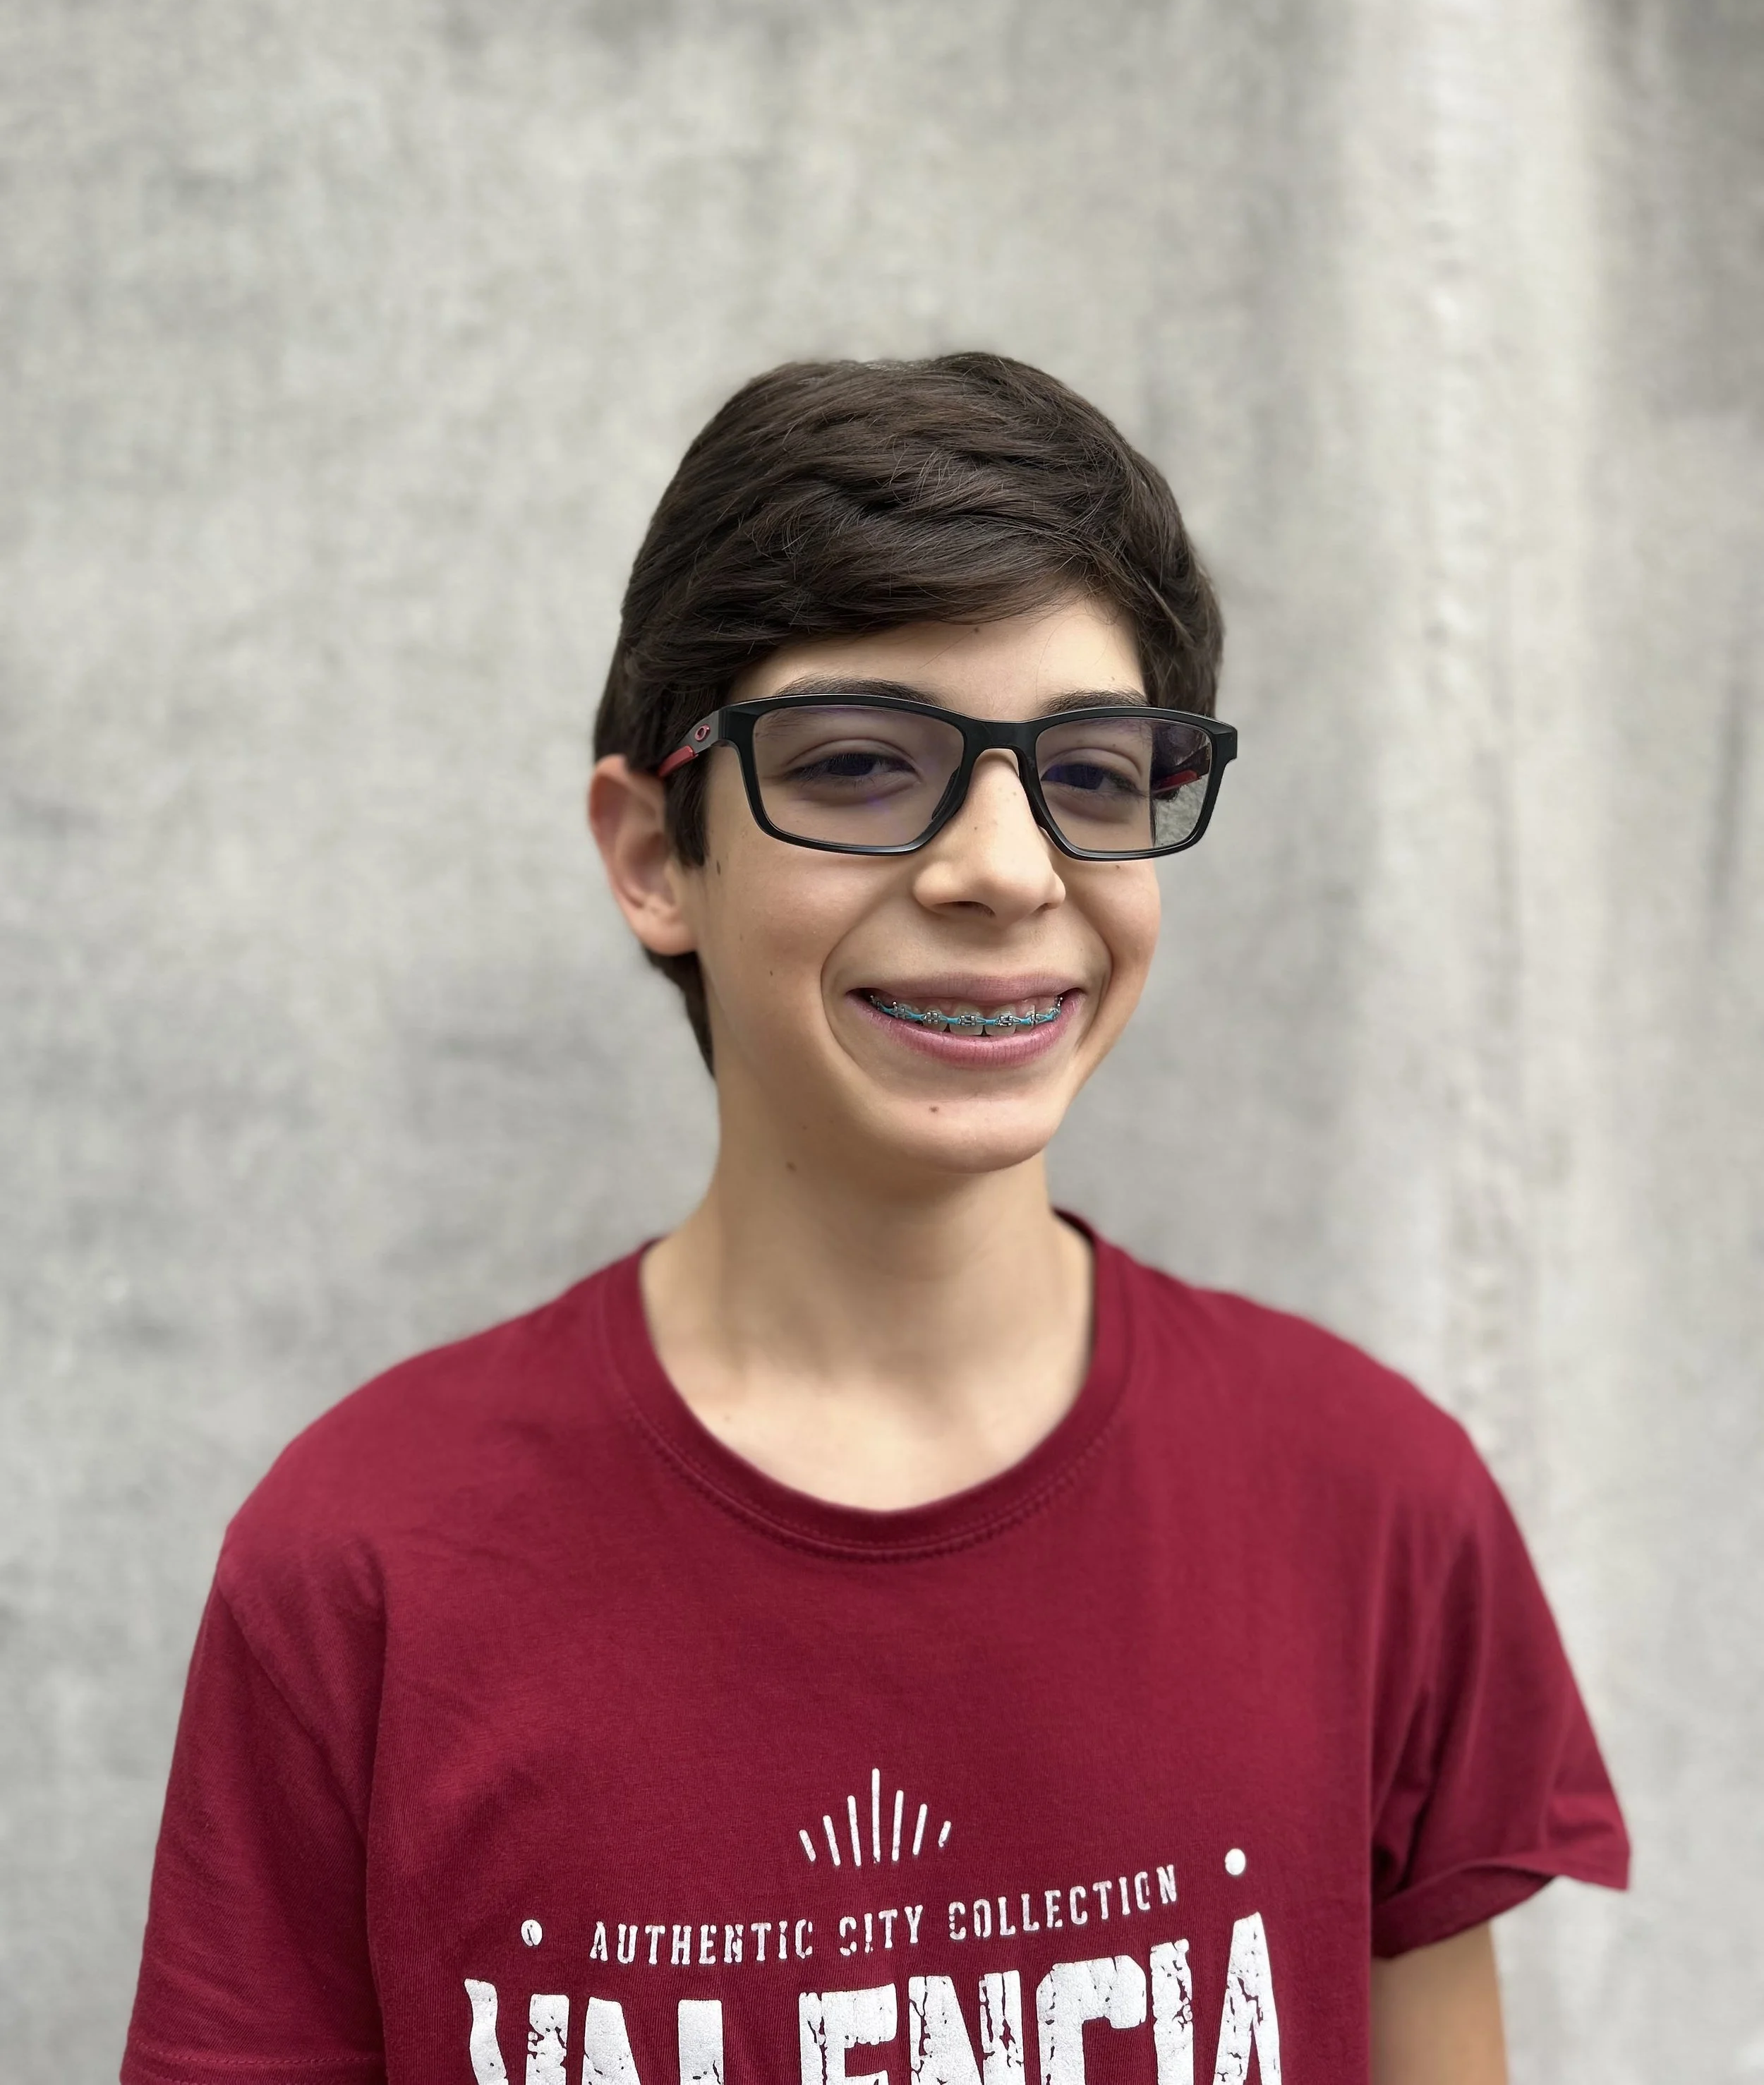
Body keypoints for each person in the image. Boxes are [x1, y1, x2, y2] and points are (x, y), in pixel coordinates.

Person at [123, 354, 1627, 2085]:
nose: (1005, 869)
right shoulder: (363, 1562)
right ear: (653, 854)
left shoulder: (1371, 1506)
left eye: (1092, 773)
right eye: (856, 762)